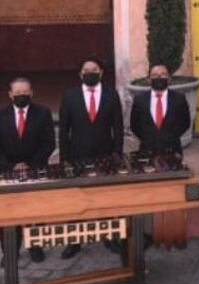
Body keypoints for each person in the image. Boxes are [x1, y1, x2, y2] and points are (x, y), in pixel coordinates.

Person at [58, 57, 124, 259]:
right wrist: (64, 159)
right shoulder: (70, 96)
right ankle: (74, 241)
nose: (90, 73)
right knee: (76, 199)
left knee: (106, 197)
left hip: (105, 155)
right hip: (78, 155)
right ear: (80, 74)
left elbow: (118, 127)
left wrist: (117, 153)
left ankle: (109, 237)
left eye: (94, 69)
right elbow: (64, 129)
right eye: (86, 70)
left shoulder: (111, 94)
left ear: (101, 72)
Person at [0, 77, 55, 264]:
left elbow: (48, 143)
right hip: (7, 171)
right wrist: (11, 166)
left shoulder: (43, 113)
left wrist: (31, 164)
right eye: (17, 93)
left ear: (31, 93)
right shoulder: (1, 115)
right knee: (8, 212)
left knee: (36, 210)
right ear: (10, 94)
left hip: (35, 168)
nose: (21, 96)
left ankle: (35, 246)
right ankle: (10, 251)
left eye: (25, 93)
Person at [130, 63, 191, 157]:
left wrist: (170, 136)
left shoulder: (179, 99)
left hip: (172, 151)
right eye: (155, 75)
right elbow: (134, 125)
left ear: (169, 78)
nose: (159, 78)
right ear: (149, 79)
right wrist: (149, 138)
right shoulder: (140, 100)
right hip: (147, 150)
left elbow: (185, 122)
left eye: (163, 74)